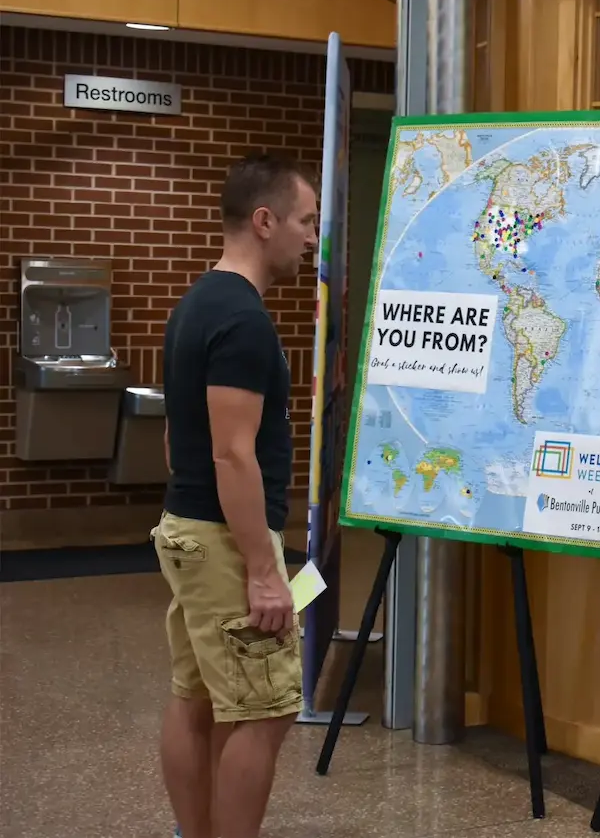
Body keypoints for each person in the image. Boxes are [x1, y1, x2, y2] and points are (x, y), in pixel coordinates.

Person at [156, 153, 318, 838]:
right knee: (263, 709)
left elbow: (178, 435)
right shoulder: (244, 321)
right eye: (305, 221)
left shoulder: (197, 302)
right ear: (264, 220)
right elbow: (232, 452)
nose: (312, 237)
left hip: (191, 524)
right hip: (225, 539)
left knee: (197, 697)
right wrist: (262, 569)